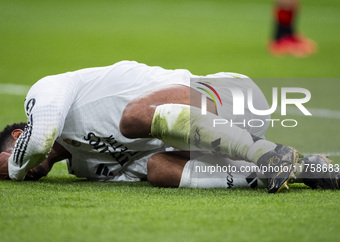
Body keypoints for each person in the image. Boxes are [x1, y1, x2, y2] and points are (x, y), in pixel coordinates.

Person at [0, 61, 338, 193]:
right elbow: (154, 165)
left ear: (17, 137)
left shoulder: (45, 91)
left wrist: (14, 167)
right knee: (158, 170)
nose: (8, 170)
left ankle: (264, 152)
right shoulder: (85, 167)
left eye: (1, 159)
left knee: (132, 118)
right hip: (219, 139)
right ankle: (305, 167)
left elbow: (41, 135)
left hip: (229, 96)